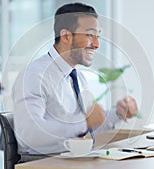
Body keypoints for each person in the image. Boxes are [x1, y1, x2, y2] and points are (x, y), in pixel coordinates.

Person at [12, 2, 137, 161]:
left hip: (74, 159)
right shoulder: (34, 75)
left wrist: (118, 114)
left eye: (98, 36)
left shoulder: (76, 77)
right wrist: (83, 122)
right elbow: (30, 134)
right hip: (44, 163)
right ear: (65, 36)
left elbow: (88, 127)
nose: (97, 45)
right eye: (90, 35)